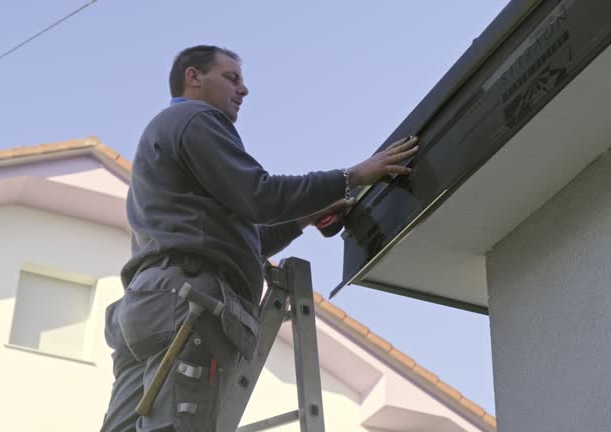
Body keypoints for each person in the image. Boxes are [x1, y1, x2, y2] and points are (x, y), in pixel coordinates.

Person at [101, 45, 419, 432]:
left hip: (148, 305)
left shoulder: (166, 140)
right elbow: (259, 196)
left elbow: (235, 240)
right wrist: (351, 176)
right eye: (231, 77)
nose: (244, 90)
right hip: (187, 298)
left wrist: (304, 216)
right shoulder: (195, 117)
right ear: (193, 77)